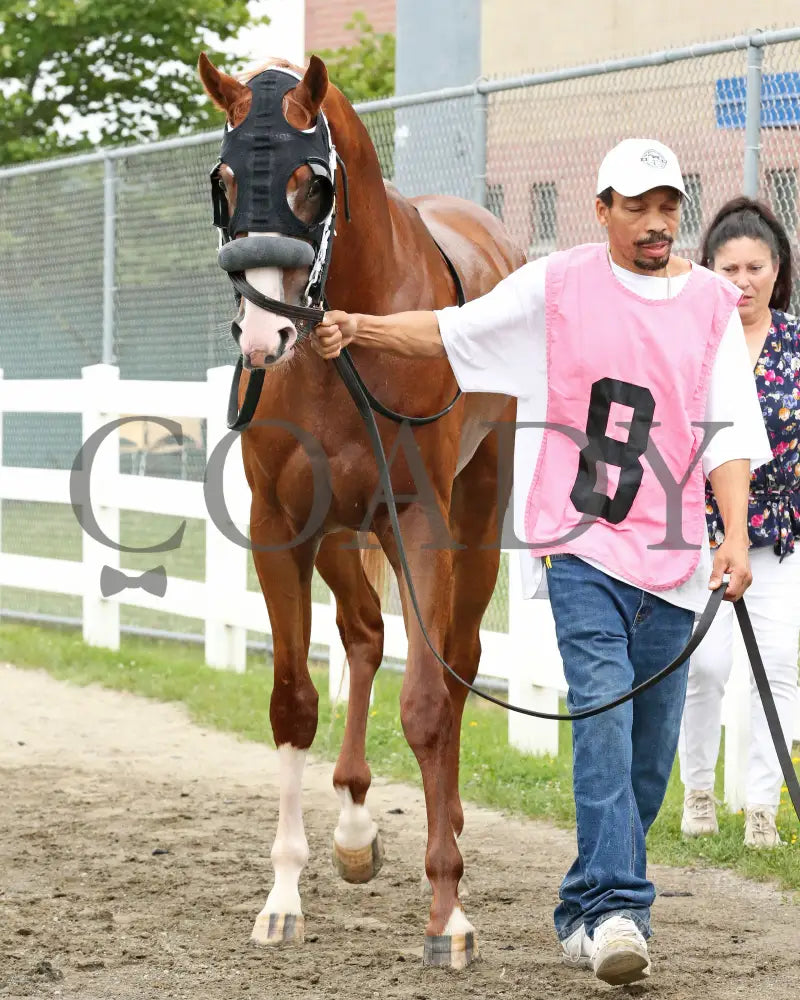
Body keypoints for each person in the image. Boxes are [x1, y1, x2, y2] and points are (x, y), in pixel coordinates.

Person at [311, 139, 771, 986]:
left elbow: (733, 429)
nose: (656, 222)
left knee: (647, 754)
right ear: (602, 212)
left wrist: (734, 535)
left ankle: (581, 907)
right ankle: (621, 911)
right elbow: (451, 331)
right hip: (581, 544)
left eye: (668, 205)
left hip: (671, 561)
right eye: (637, 206)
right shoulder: (558, 286)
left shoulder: (710, 303)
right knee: (600, 710)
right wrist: (359, 327)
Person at [678, 197, 800, 847]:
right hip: (700, 531)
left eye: (756, 267)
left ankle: (763, 807)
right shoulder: (695, 346)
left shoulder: (796, 347)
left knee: (776, 665)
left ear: (778, 271)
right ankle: (697, 791)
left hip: (781, 536)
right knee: (705, 666)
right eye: (730, 268)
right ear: (709, 271)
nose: (744, 281)